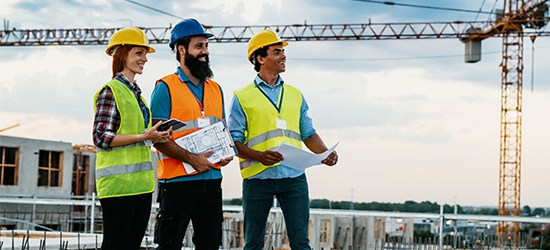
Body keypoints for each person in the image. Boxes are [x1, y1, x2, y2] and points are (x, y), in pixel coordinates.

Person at [227, 29, 339, 250]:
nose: (283, 56)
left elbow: (308, 133)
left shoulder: (295, 94)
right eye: (276, 52)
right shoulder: (242, 96)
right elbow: (234, 141)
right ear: (260, 58)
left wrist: (324, 153)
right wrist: (259, 156)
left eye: (283, 51)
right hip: (257, 178)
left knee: (300, 242)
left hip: (293, 177)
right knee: (253, 243)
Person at [150, 18, 233, 250]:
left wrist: (224, 153)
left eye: (206, 46)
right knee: (169, 244)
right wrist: (193, 159)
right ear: (181, 49)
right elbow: (157, 138)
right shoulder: (164, 88)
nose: (205, 51)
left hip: (212, 181)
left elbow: (222, 129)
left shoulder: (216, 89)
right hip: (177, 184)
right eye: (199, 46)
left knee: (210, 244)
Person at [92, 26, 171, 250]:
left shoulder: (136, 93)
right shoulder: (111, 90)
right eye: (139, 53)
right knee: (115, 245)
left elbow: (140, 137)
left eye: (144, 54)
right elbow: (101, 137)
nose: (144, 59)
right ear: (122, 54)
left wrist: (156, 135)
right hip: (118, 186)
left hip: (141, 185)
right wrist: (143, 135)